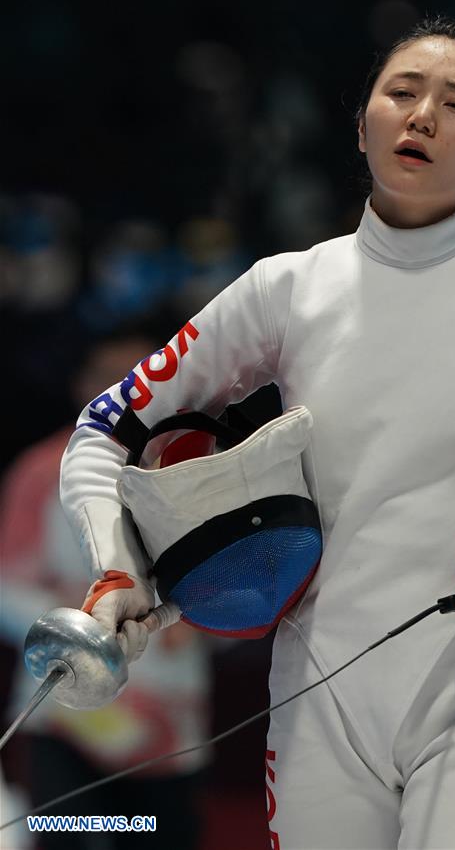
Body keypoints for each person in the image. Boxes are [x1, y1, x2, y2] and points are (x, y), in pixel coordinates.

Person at [58, 17, 455, 850]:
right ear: (363, 119)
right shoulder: (286, 287)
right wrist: (118, 566)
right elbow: (104, 428)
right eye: (402, 93)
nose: (422, 117)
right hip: (317, 698)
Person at [0, 331, 211, 850]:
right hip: (67, 708)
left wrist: (192, 621)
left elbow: (234, 585)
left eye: (138, 376)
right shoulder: (38, 472)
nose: (126, 390)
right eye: (109, 378)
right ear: (83, 386)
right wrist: (87, 623)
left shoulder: (199, 466)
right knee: (68, 837)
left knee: (160, 839)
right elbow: (5, 587)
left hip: (168, 714)